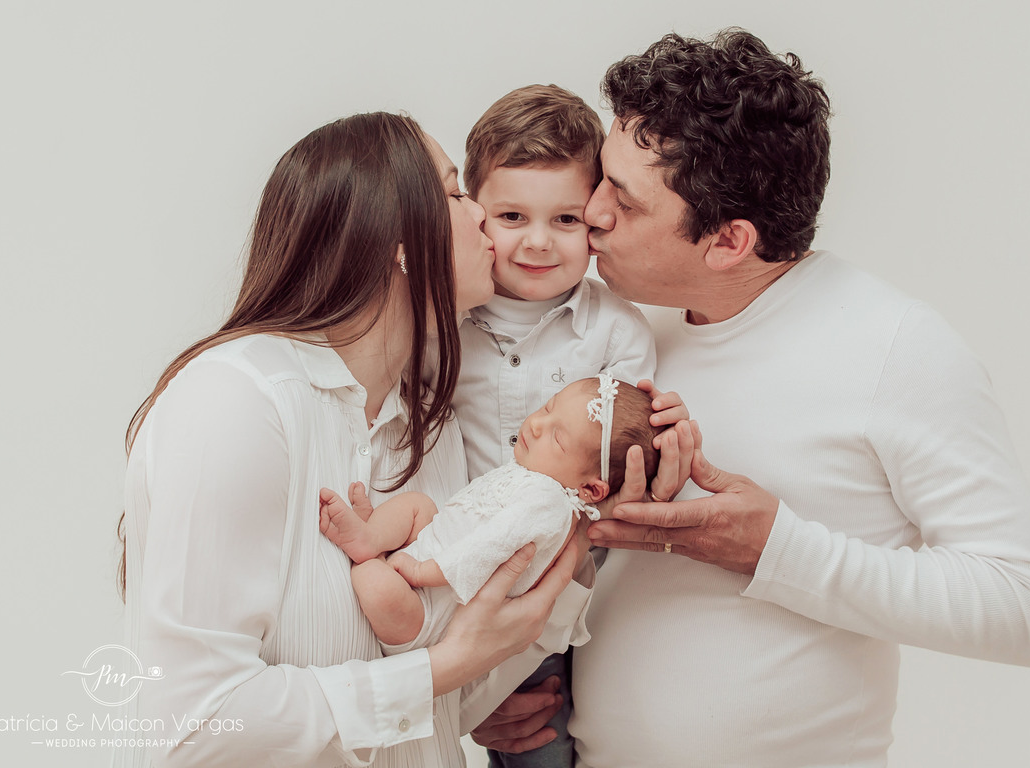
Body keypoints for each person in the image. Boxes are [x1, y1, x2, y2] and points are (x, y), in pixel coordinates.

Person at [473, 29, 1030, 767]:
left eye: (622, 200)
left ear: (728, 242)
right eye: (602, 180)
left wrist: (774, 549)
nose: (590, 213)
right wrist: (491, 688)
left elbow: (1024, 609)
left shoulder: (898, 349)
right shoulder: (622, 334)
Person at [114, 112, 596, 768]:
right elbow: (194, 724)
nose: (481, 214)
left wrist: (577, 543)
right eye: (455, 193)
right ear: (401, 240)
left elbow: (447, 701)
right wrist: (441, 670)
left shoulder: (434, 429)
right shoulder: (237, 399)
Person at [453, 84, 664, 768]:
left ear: (595, 218)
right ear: (475, 214)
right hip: (461, 584)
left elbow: (625, 472)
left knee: (576, 737)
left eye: (566, 219)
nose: (538, 241)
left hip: (573, 590)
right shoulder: (443, 329)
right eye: (512, 216)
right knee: (513, 736)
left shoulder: (617, 332)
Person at [318, 376, 663, 654]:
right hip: (432, 551)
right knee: (419, 506)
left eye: (557, 439)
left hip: (431, 611)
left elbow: (489, 546)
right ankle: (372, 536)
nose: (537, 424)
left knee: (376, 586)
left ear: (591, 490)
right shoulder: (536, 476)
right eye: (548, 407)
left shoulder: (550, 504)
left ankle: (372, 555)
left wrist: (424, 571)